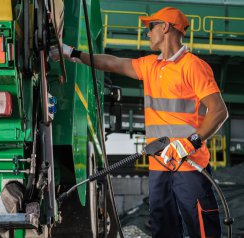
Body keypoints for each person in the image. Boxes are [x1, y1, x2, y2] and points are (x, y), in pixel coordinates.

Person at [51, 6, 228, 238]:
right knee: (163, 229)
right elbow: (113, 62)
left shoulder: (193, 66)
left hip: (189, 166)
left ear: (165, 27)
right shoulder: (150, 66)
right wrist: (72, 53)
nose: (147, 33)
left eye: (150, 27)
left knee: (201, 229)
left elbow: (219, 111)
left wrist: (189, 142)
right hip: (159, 166)